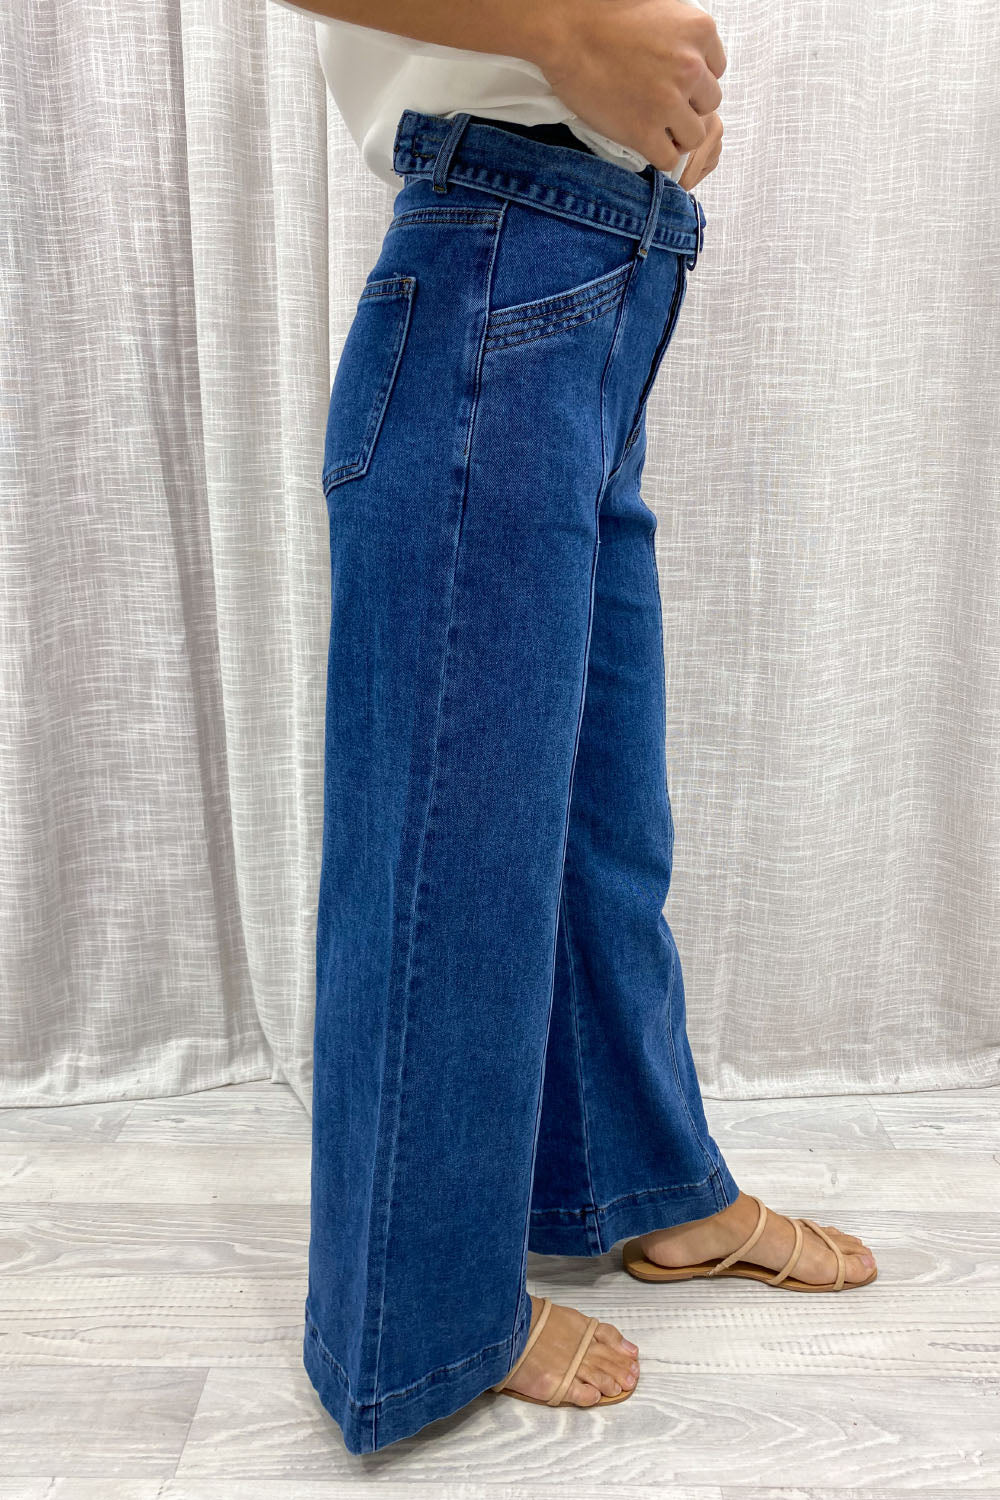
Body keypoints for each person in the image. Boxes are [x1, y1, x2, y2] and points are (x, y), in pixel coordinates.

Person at [271, 0, 879, 1456]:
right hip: (499, 262)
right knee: (448, 851)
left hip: (597, 276)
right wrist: (559, 33)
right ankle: (418, 1318)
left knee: (601, 824)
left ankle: (643, 1182)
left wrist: (643, 106)